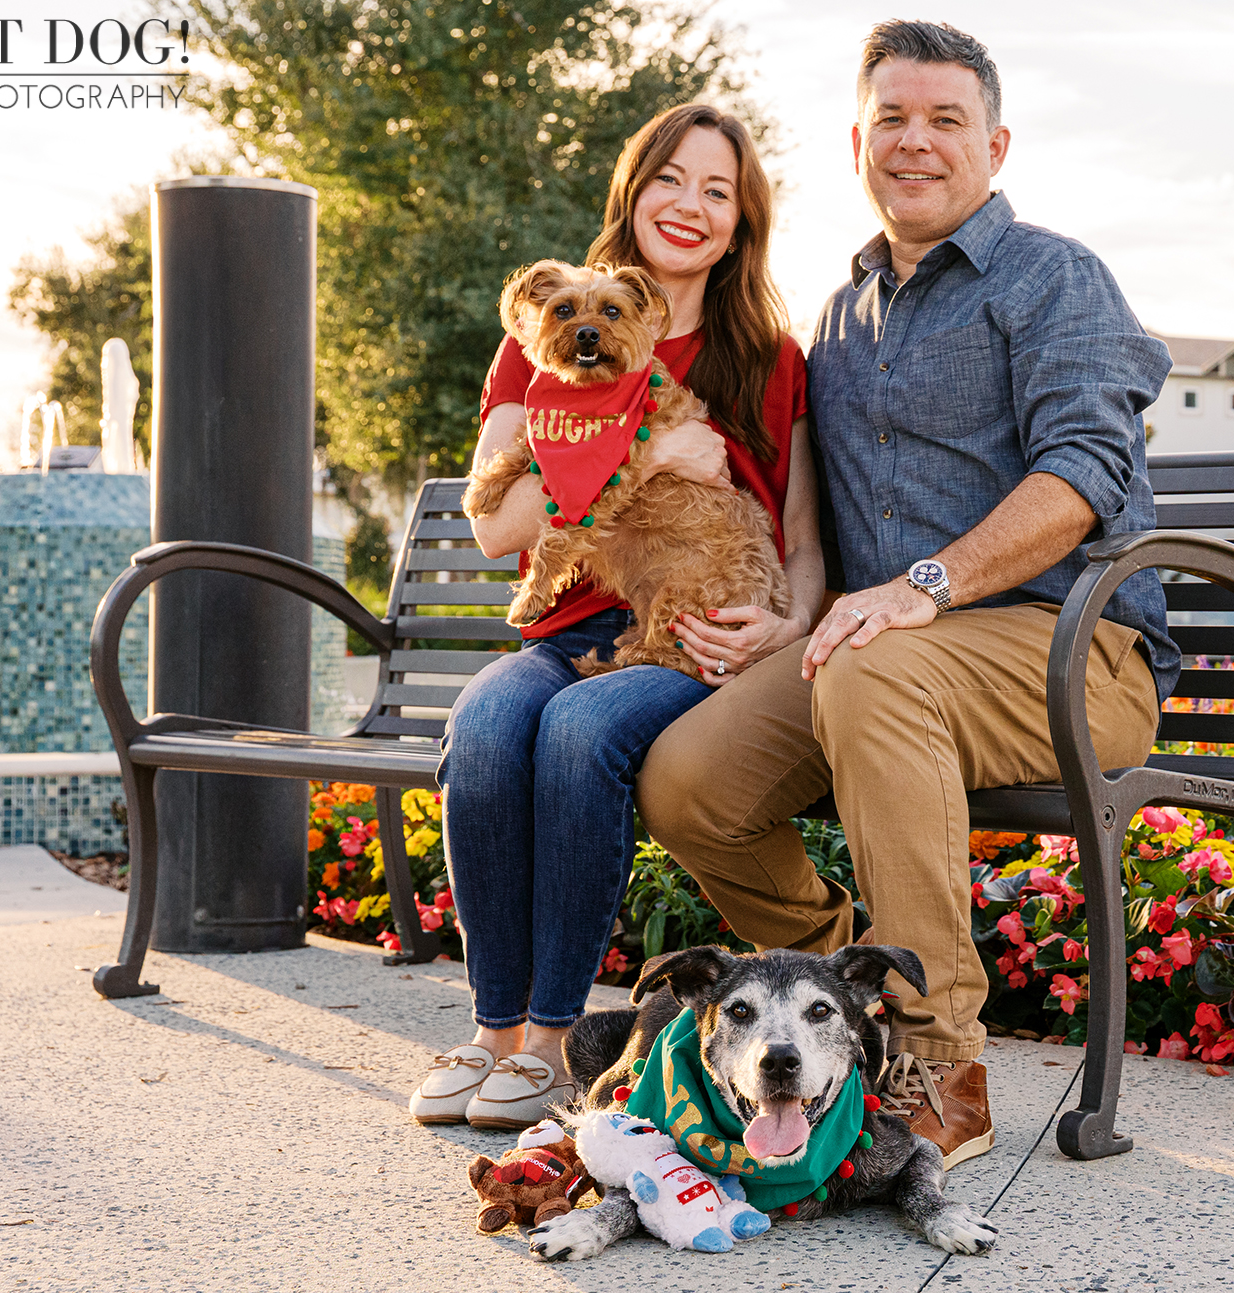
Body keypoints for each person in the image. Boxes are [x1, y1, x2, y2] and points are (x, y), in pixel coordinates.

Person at [638, 21, 1177, 1169]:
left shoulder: (1052, 277)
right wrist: (793, 612)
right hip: (890, 657)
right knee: (688, 783)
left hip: (1075, 653)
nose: (915, 142)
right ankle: (858, 986)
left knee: (878, 663)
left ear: (995, 143)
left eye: (944, 120)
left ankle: (937, 1061)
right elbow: (817, 519)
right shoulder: (840, 316)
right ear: (855, 141)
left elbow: (1084, 472)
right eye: (892, 118)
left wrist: (925, 587)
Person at [411, 103, 826, 1128]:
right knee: (489, 726)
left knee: (581, 734)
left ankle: (551, 1041)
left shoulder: (767, 359)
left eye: (715, 191)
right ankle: (491, 1032)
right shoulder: (542, 339)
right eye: (668, 180)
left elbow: (808, 538)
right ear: (632, 193)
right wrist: (636, 455)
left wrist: (787, 625)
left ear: (741, 221)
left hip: (692, 635)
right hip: (567, 630)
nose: (688, 205)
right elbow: (500, 528)